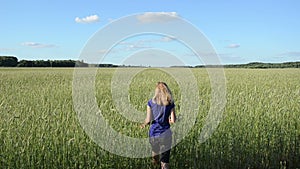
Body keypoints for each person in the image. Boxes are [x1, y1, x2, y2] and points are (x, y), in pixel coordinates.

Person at [140, 82, 176, 169]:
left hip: (154, 133)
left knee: (155, 152)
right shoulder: (170, 103)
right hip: (166, 134)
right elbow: (173, 120)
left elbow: (148, 120)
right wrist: (168, 120)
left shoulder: (150, 103)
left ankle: (155, 166)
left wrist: (143, 124)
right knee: (165, 160)